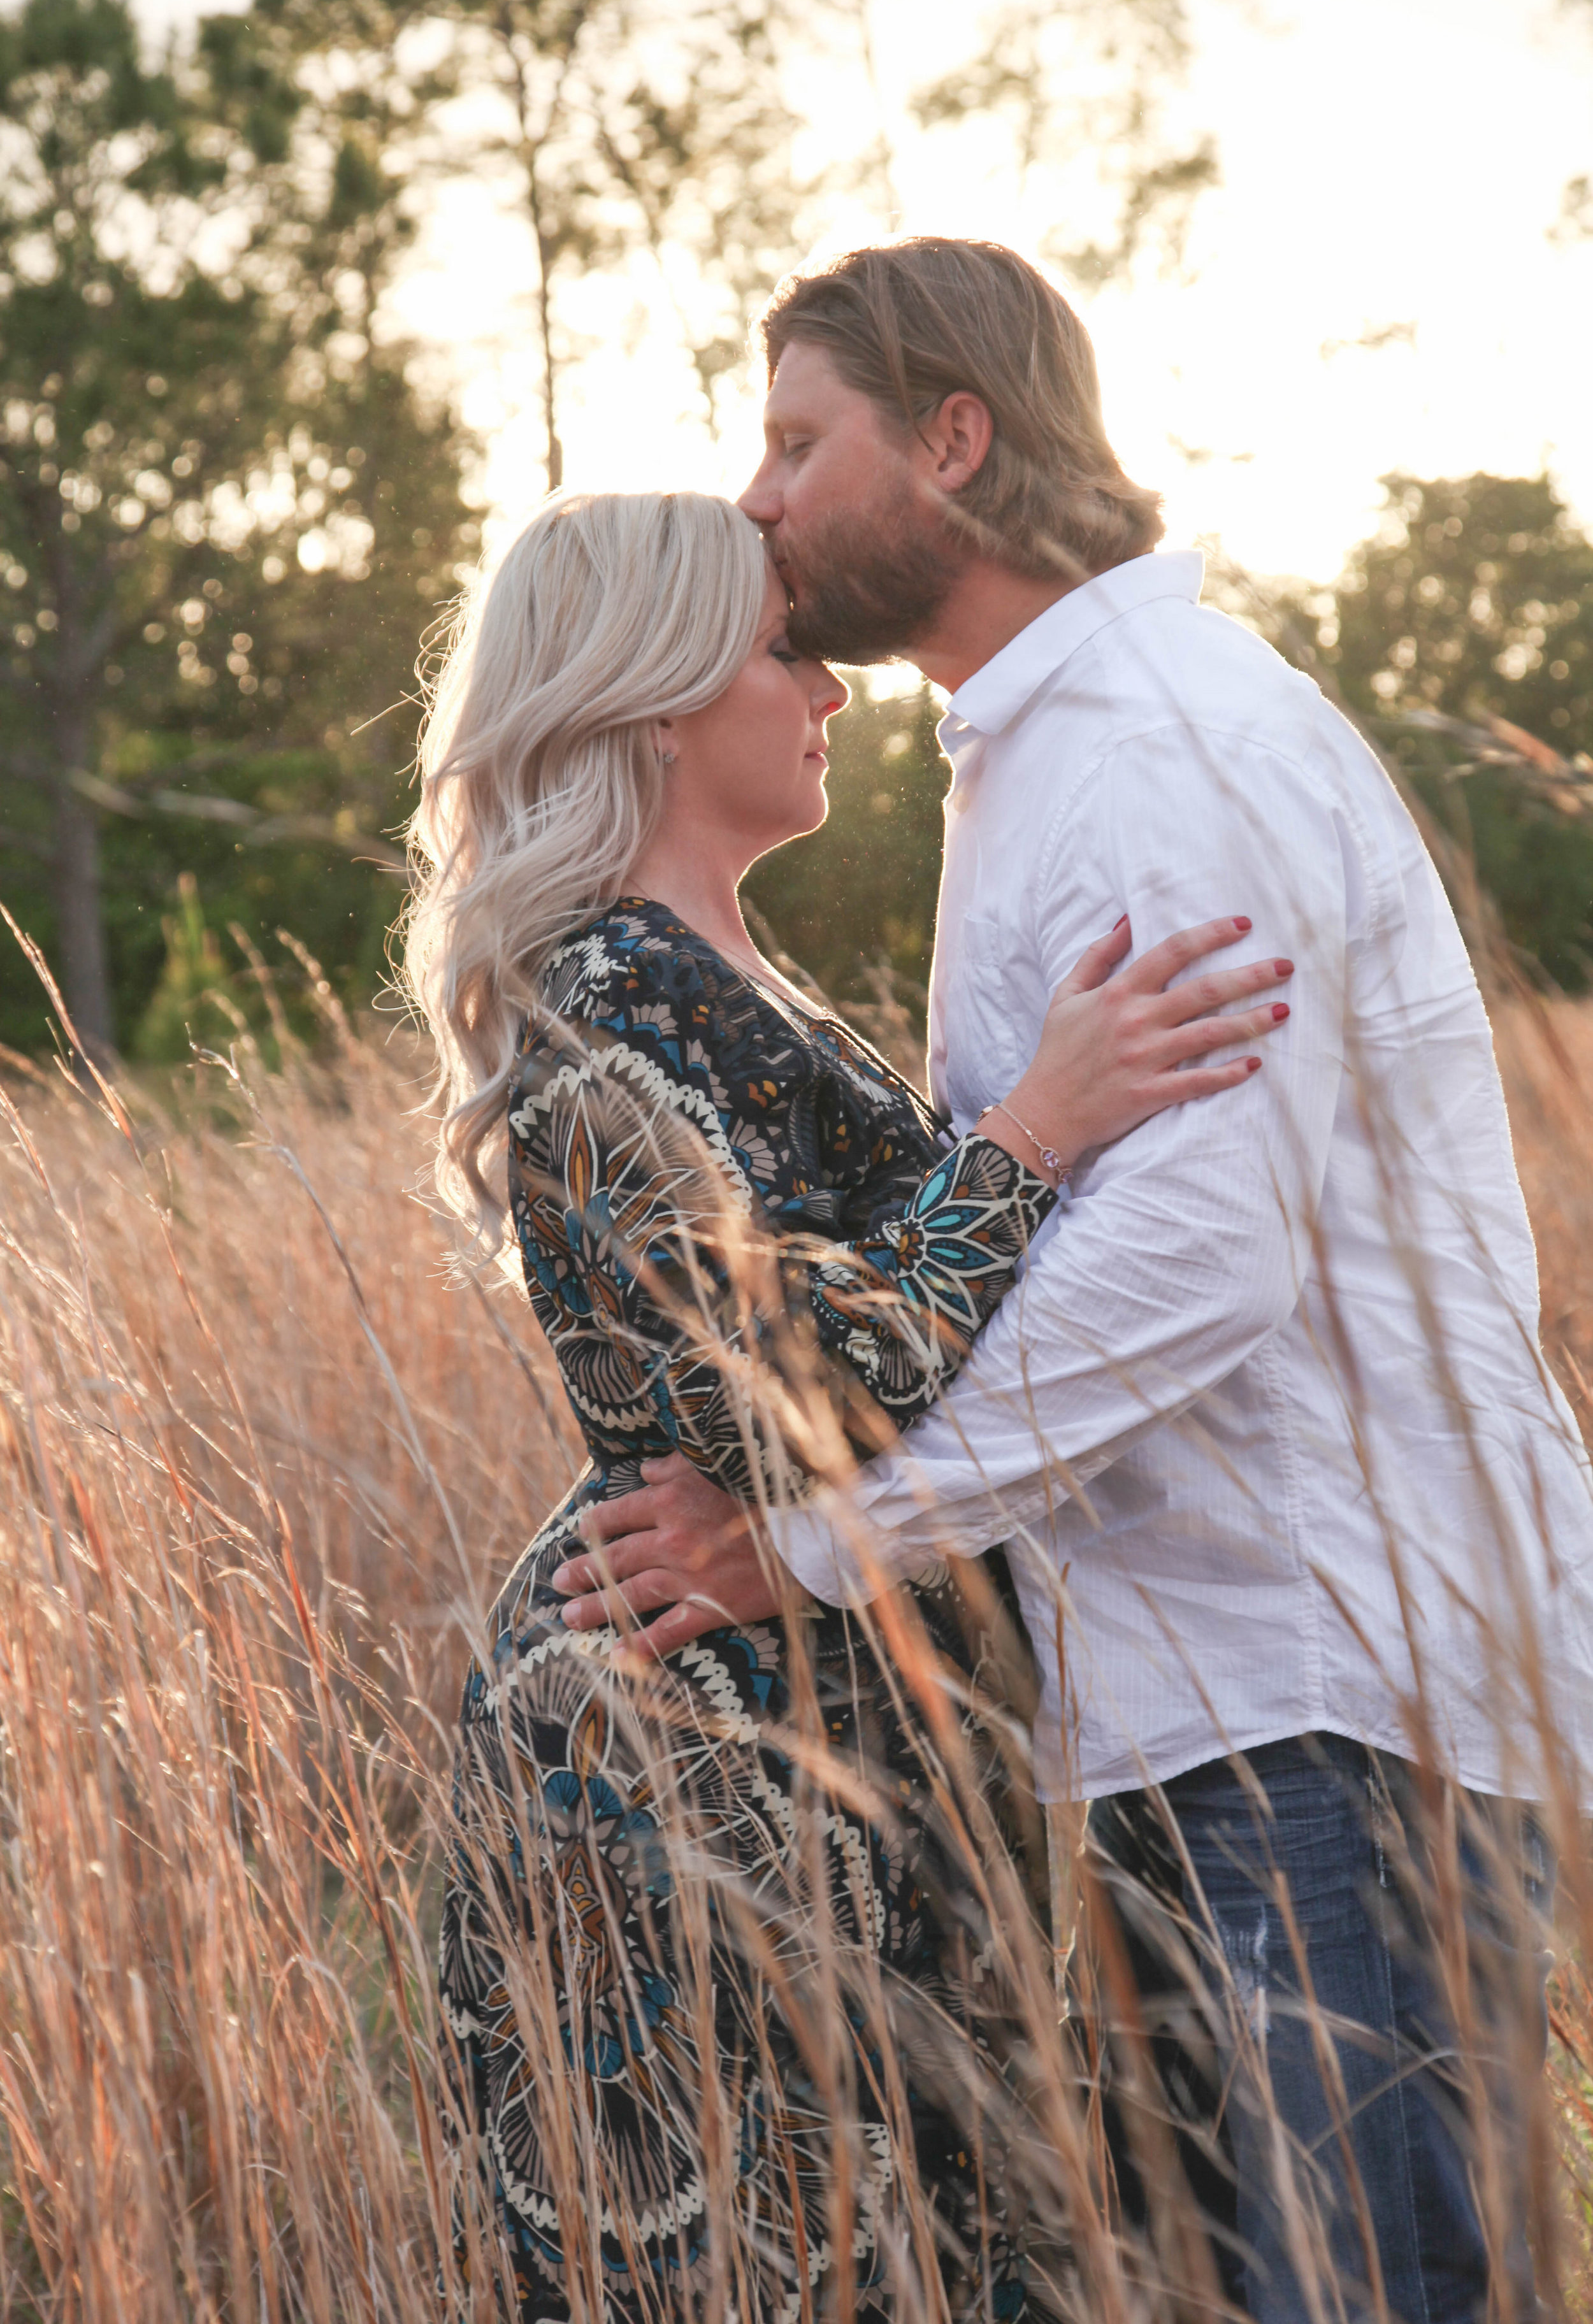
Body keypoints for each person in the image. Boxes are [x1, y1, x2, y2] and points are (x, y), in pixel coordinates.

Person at [557, 239, 1593, 2321]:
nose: (756, 498)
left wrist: (825, 1547)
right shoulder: (1040, 751)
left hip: (1321, 1680)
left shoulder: (1157, 744)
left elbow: (1198, 1263)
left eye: (793, 441)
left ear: (954, 439)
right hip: (1217, 1687)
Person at [401, 486, 1288, 2320]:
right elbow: (781, 1386)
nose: (837, 688)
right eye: (785, 647)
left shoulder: (721, 979)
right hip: (683, 1773)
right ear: (653, 696)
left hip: (827, 1741)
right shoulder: (599, 995)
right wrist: (1035, 1133)